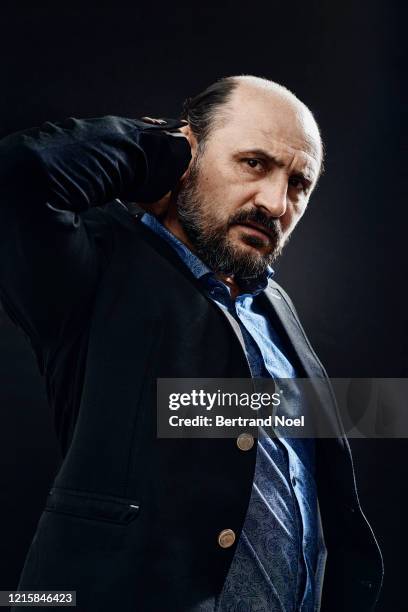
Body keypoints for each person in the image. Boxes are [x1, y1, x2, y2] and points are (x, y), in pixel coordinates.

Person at [0, 75, 383, 611]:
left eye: (299, 184)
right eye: (254, 163)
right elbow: (18, 174)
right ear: (190, 152)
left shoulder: (272, 303)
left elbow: (252, 431)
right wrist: (157, 146)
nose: (276, 203)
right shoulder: (95, 270)